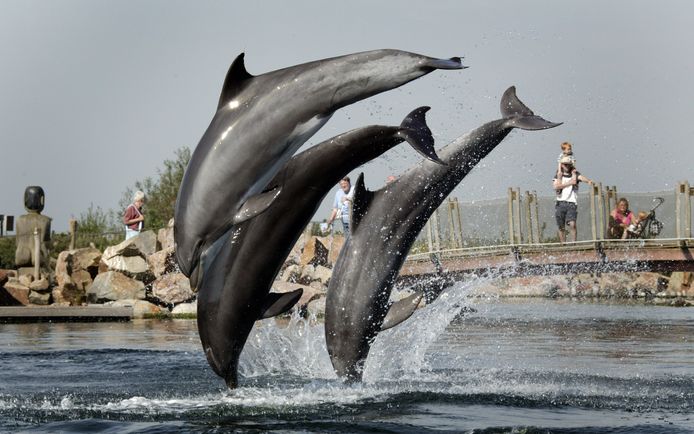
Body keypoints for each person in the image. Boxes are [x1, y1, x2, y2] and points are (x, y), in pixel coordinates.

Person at [553, 156, 593, 243]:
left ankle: (573, 243)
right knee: (561, 226)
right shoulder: (558, 175)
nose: (567, 166)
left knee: (572, 224)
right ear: (562, 165)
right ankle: (563, 244)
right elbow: (556, 187)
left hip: (571, 203)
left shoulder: (575, 174)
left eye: (568, 164)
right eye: (565, 164)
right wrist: (570, 183)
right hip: (560, 202)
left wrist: (589, 181)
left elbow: (582, 178)